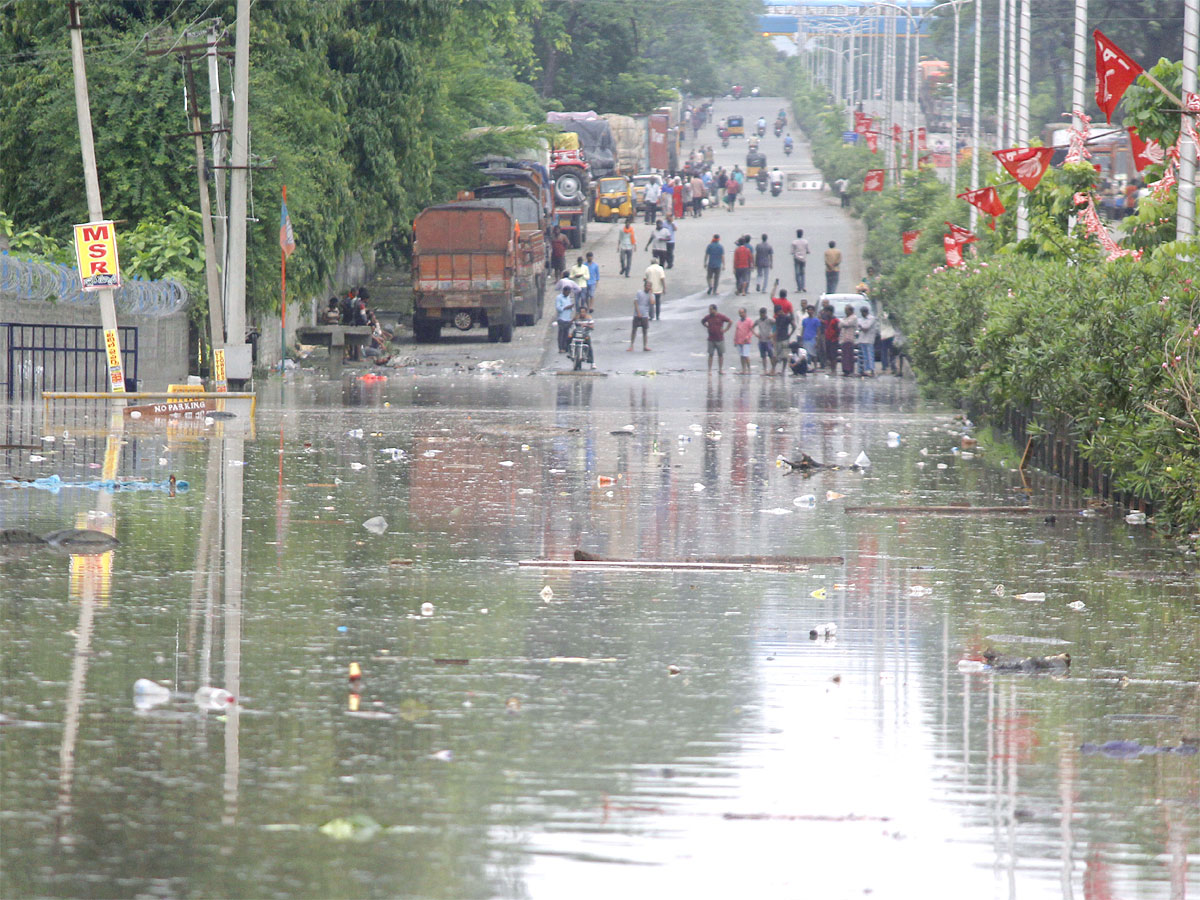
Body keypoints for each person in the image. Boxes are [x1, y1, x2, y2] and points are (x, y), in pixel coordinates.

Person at [701, 303, 732, 374]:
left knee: (720, 354)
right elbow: (702, 321)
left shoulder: (721, 316)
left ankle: (720, 369)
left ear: (715, 310)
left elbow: (730, 321)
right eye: (709, 309)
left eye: (711, 309)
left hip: (720, 338)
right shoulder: (708, 317)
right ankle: (709, 370)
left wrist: (725, 330)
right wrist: (707, 326)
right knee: (710, 354)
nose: (709, 311)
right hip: (711, 339)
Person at [770, 293, 795, 375]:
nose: (778, 314)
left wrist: (790, 334)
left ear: (780, 311)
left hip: (784, 339)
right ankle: (773, 369)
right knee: (776, 356)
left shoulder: (787, 318)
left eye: (778, 312)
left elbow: (794, 326)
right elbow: (776, 329)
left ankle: (783, 371)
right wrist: (774, 338)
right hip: (778, 339)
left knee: (784, 356)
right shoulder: (777, 318)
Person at [628, 279, 653, 351]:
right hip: (637, 314)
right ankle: (631, 345)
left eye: (649, 286)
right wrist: (638, 312)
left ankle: (645, 346)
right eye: (647, 285)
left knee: (645, 331)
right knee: (634, 330)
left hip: (645, 315)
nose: (648, 287)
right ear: (644, 286)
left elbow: (652, 302)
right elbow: (635, 302)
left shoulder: (651, 295)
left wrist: (650, 293)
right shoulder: (639, 292)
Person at [856, 304, 878, 376]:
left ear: (865, 312)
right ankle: (862, 371)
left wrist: (861, 327)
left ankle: (871, 371)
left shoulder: (871, 319)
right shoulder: (861, 319)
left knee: (869, 356)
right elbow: (859, 327)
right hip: (861, 340)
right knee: (862, 357)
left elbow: (866, 328)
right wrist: (861, 327)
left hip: (869, 340)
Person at [838, 303, 859, 375]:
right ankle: (845, 370)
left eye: (846, 310)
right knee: (844, 356)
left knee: (849, 355)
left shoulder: (854, 317)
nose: (845, 312)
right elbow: (840, 325)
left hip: (849, 338)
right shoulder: (846, 318)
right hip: (844, 339)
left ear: (850, 311)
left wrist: (842, 322)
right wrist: (842, 322)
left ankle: (849, 370)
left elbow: (846, 324)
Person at [753, 307, 775, 373]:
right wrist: (756, 334)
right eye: (761, 314)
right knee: (763, 356)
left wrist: (773, 334)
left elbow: (777, 326)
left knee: (771, 355)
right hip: (761, 340)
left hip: (768, 340)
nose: (762, 315)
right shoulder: (758, 320)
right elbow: (752, 327)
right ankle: (765, 370)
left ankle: (773, 369)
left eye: (763, 314)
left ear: (765, 313)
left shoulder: (770, 320)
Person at [733, 307, 754, 374]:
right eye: (740, 313)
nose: (741, 314)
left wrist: (748, 337)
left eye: (742, 313)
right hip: (739, 341)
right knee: (741, 356)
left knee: (746, 355)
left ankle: (749, 369)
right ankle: (743, 369)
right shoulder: (738, 322)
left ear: (745, 313)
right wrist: (735, 340)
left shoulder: (749, 321)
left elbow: (752, 330)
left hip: (746, 342)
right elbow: (736, 331)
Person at [555, 284, 575, 353]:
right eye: (567, 292)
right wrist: (566, 307)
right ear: (564, 291)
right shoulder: (559, 297)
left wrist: (571, 307)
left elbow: (570, 306)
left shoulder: (568, 297)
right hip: (561, 318)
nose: (568, 294)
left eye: (569, 293)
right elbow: (558, 308)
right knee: (561, 334)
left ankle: (565, 347)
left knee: (566, 334)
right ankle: (561, 348)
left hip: (568, 318)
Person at [822, 301, 840, 372]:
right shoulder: (827, 319)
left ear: (830, 312)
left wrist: (835, 338)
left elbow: (837, 331)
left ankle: (834, 370)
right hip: (828, 339)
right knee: (829, 355)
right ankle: (831, 369)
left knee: (833, 356)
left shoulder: (835, 320)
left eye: (827, 312)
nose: (826, 313)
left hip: (833, 340)